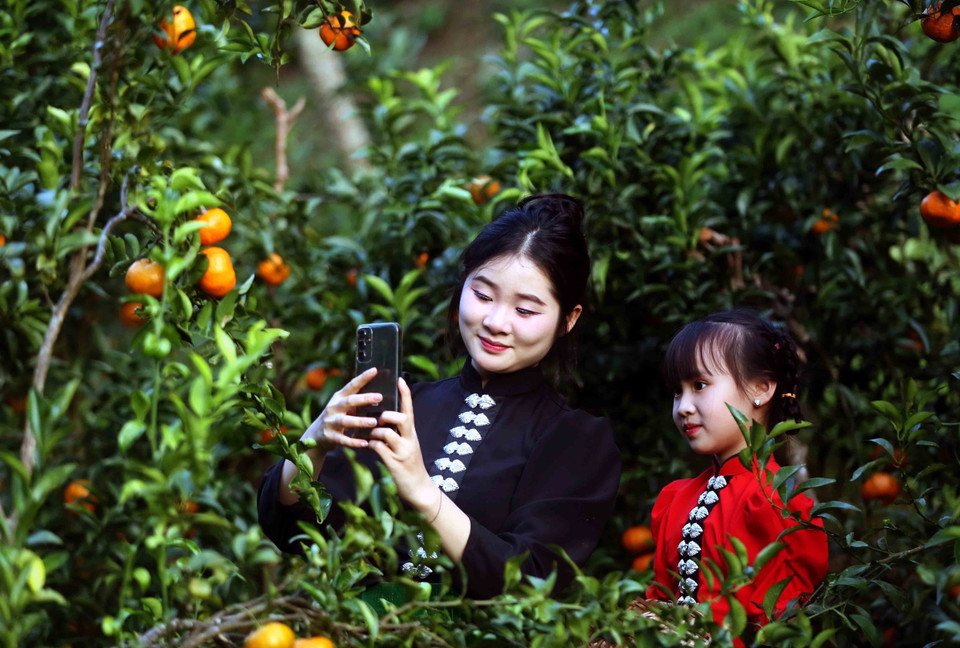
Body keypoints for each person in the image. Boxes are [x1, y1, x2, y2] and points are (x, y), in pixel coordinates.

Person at [257, 193, 621, 599]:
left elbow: (534, 583)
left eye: (526, 311)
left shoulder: (576, 441)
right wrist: (315, 441)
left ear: (568, 319)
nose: (496, 322)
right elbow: (293, 528)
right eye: (483, 295)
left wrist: (422, 491)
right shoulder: (401, 403)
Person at [644, 311, 828, 633]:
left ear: (762, 388)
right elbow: (659, 596)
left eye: (699, 385)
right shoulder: (676, 498)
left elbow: (775, 623)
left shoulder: (775, 501)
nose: (683, 406)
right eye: (677, 390)